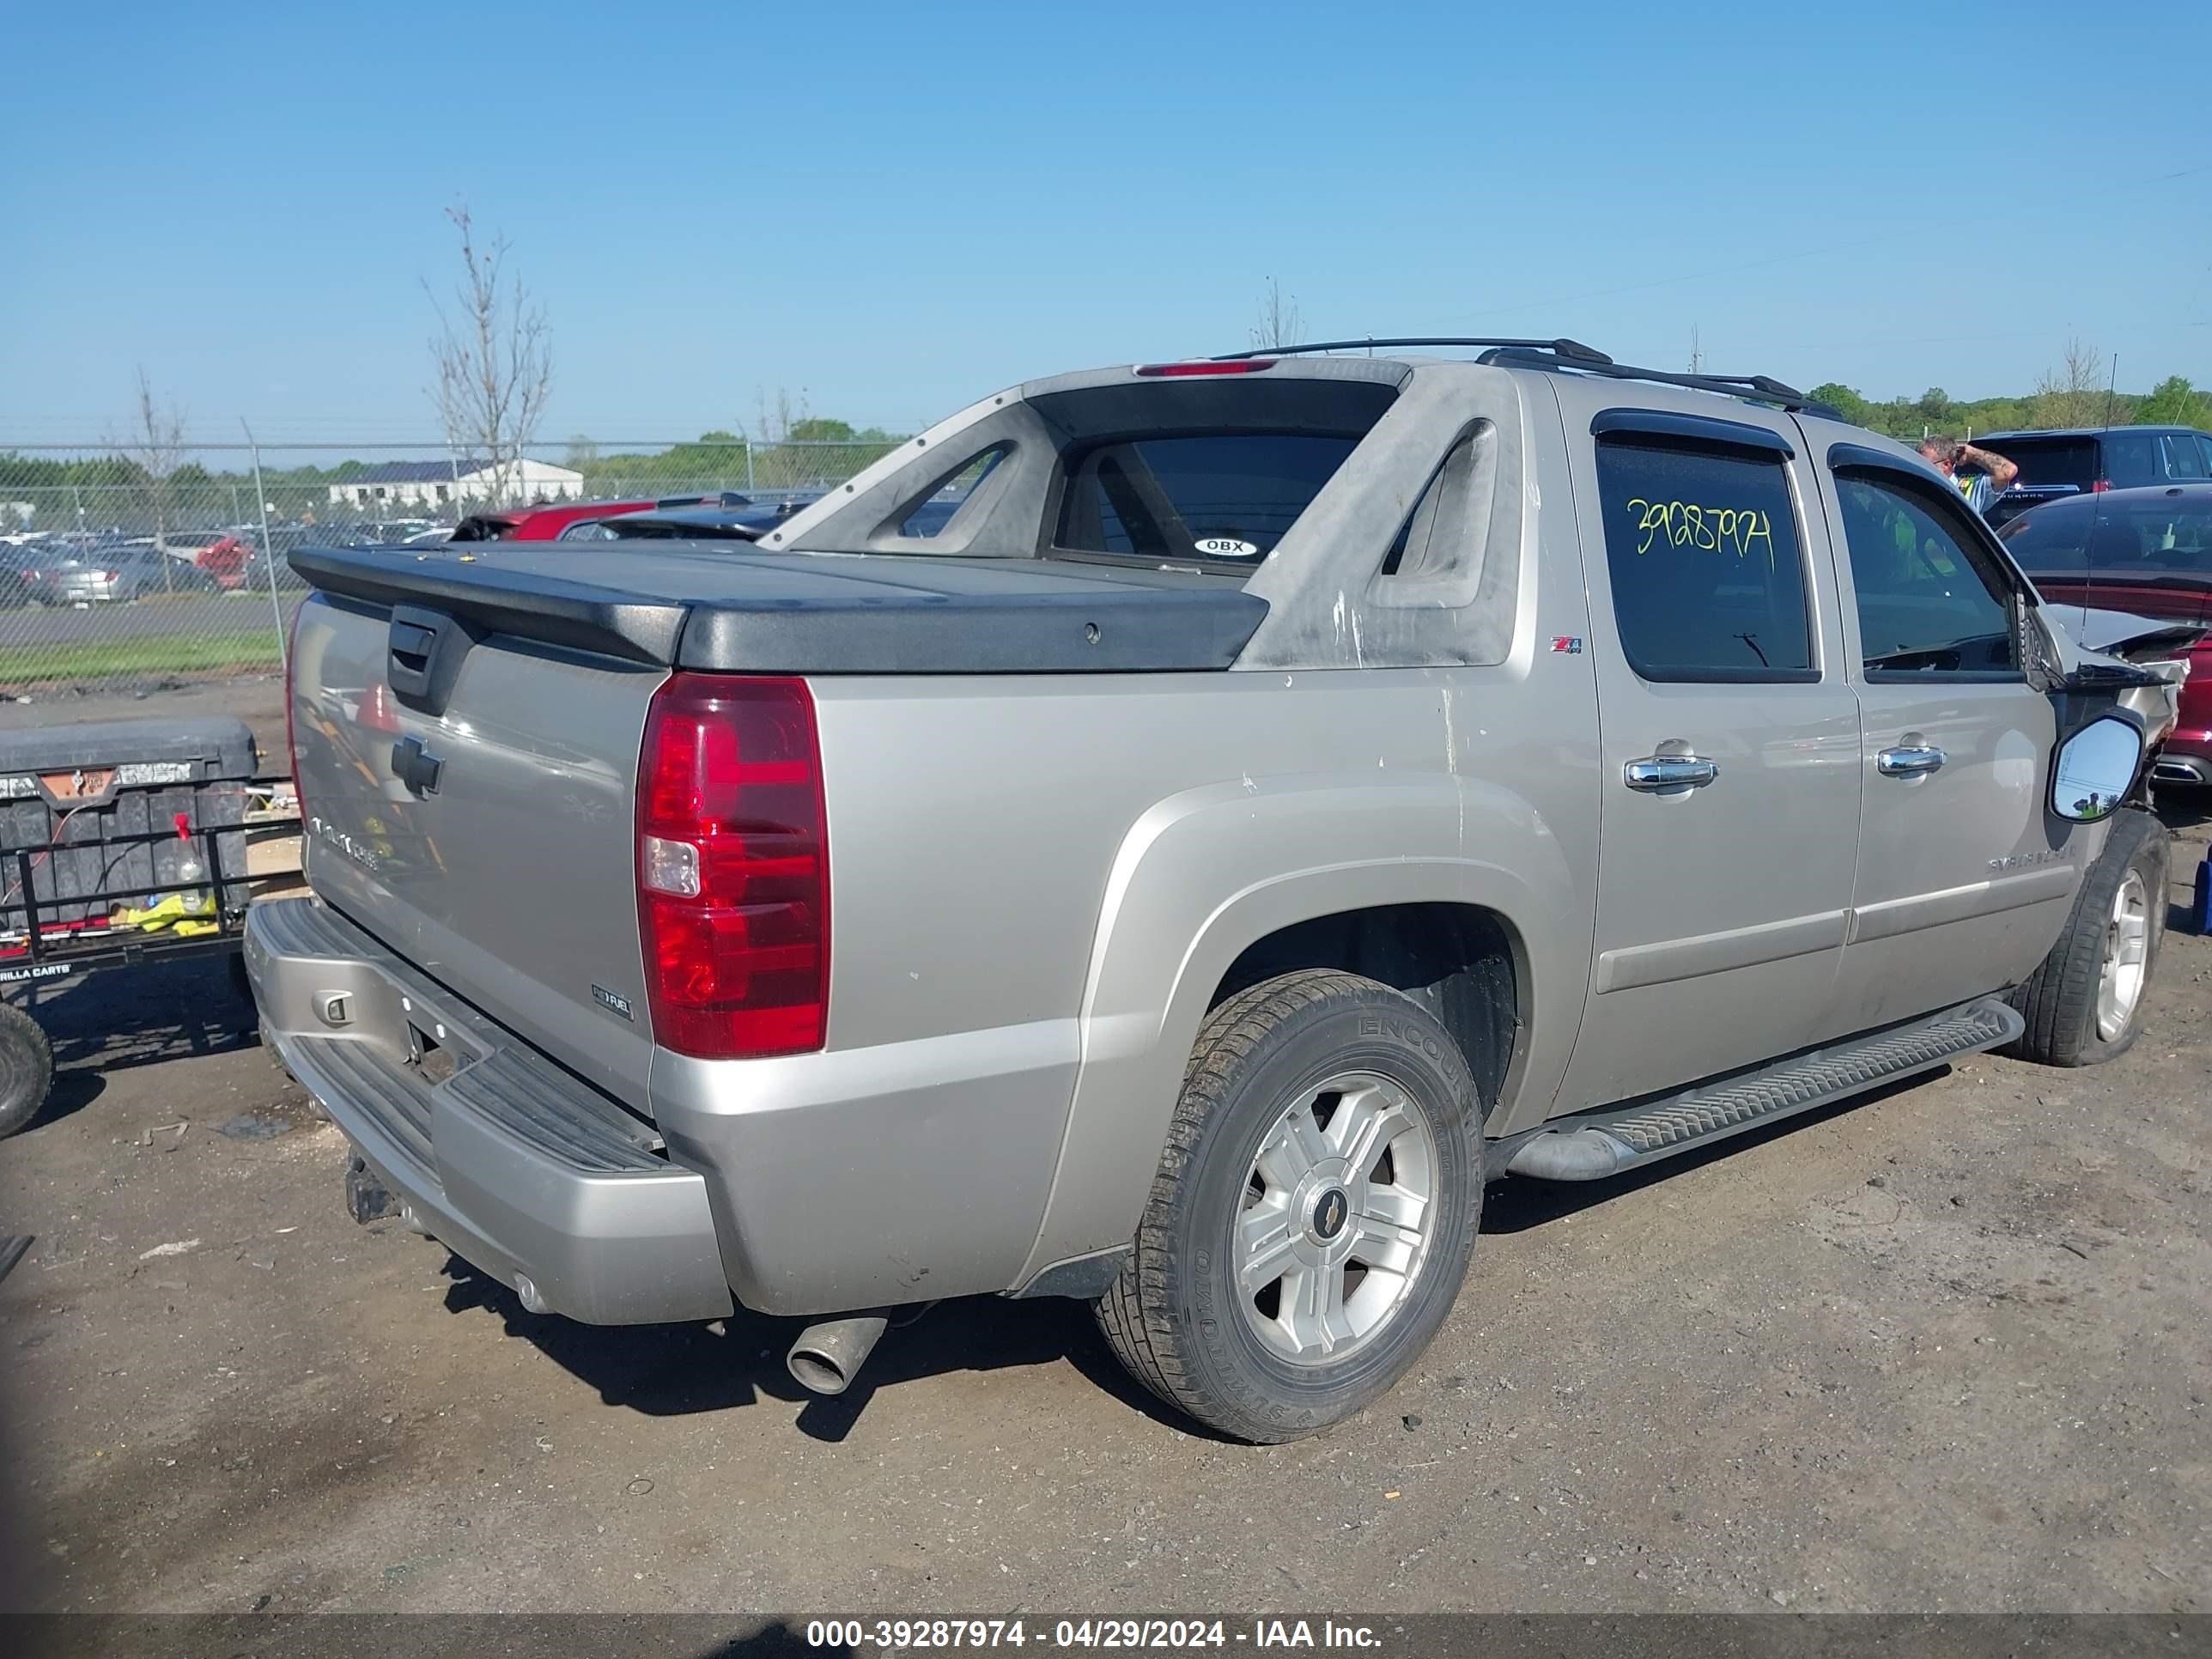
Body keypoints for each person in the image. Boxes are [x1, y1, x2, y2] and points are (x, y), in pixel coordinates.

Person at [1917, 434, 2018, 517]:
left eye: (1925, 464)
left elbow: (2007, 471)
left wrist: (1973, 454)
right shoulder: (1916, 489)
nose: (1920, 469)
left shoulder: (1970, 489)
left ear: (1946, 465)